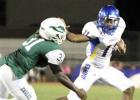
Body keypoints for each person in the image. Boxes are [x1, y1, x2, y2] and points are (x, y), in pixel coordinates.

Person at [57, 5, 135, 100]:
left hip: (105, 67)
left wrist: (121, 43)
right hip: (91, 66)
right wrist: (64, 30)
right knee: (74, 98)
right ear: (101, 19)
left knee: (129, 88)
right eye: (109, 21)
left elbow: (117, 37)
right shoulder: (94, 29)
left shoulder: (120, 25)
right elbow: (74, 38)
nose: (112, 24)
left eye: (114, 21)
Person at [0, 17, 87, 100]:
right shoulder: (50, 48)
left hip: (3, 64)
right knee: (30, 98)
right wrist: (77, 90)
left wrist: (60, 25)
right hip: (12, 73)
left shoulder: (38, 33)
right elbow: (60, 75)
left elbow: (49, 27)